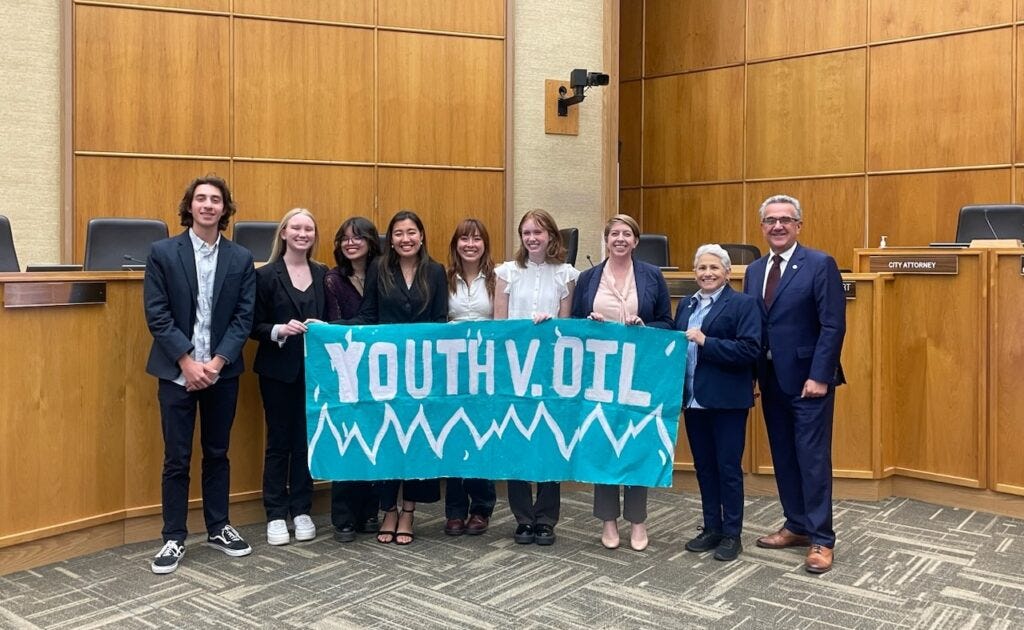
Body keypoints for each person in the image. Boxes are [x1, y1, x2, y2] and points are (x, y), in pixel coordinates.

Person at [143, 175, 256, 574]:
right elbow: (157, 313)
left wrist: (217, 363)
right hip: (177, 373)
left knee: (217, 453)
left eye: (216, 200)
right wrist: (188, 363)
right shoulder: (162, 252)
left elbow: (244, 318)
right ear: (189, 206)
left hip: (221, 374)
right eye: (201, 199)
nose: (208, 205)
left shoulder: (241, 258)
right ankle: (173, 537)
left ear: (225, 209)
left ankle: (219, 526)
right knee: (176, 458)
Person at [742, 194, 846, 574]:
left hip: (809, 382)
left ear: (799, 225)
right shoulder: (754, 270)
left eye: (786, 220)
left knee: (812, 460)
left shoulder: (819, 264)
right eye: (770, 220)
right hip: (771, 380)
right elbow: (755, 327)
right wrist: (750, 376)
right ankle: (797, 525)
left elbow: (833, 325)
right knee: (784, 456)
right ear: (763, 227)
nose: (778, 226)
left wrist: (820, 375)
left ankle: (821, 538)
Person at [344, 210, 448, 545]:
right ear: (392, 238)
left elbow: (440, 321)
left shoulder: (435, 271)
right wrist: (330, 329)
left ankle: (409, 511)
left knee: (416, 440)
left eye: (411, 232)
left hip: (423, 372)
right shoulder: (378, 268)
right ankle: (388, 508)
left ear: (421, 236)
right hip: (385, 372)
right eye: (398, 233)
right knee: (388, 438)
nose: (405, 239)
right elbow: (369, 315)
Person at [570, 214, 672, 551]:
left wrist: (646, 325)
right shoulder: (587, 278)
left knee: (636, 443)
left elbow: (667, 323)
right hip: (599, 374)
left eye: (627, 233)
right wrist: (590, 322)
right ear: (606, 240)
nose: (620, 239)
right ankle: (608, 520)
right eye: (614, 233)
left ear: (636, 241)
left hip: (639, 373)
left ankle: (638, 522)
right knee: (603, 444)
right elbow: (573, 325)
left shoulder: (652, 275)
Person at [495, 208, 579, 546]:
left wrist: (552, 326)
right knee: (517, 442)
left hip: (550, 372)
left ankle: (545, 518)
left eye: (538, 232)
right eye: (527, 232)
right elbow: (498, 325)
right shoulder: (506, 272)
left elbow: (568, 326)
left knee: (548, 442)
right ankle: (522, 518)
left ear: (552, 237)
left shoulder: (567, 274)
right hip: (513, 370)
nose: (532, 238)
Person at [676, 244, 761, 562]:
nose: (707, 273)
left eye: (714, 268)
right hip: (694, 400)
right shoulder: (685, 305)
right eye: (701, 268)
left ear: (727, 272)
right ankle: (711, 527)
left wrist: (705, 342)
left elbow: (750, 350)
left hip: (727, 401)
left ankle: (732, 534)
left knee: (728, 469)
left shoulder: (743, 304)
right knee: (704, 468)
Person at [250, 208, 326, 546]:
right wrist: (279, 329)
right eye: (295, 227)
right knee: (279, 443)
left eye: (308, 228)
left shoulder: (325, 274)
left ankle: (302, 508)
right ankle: (276, 513)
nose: (302, 233)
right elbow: (251, 326)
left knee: (305, 442)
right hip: (278, 372)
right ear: (283, 233)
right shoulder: (265, 276)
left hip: (316, 374)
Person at [324, 216, 383, 543]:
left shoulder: (382, 274)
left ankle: (370, 511)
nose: (351, 243)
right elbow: (335, 325)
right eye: (345, 238)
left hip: (377, 371)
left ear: (371, 242)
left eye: (358, 238)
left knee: (375, 439)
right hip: (344, 371)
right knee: (346, 439)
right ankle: (344, 516)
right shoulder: (333, 279)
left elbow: (379, 318)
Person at [443, 218, 499, 537]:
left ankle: (481, 508)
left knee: (480, 435)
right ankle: (454, 510)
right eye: (464, 239)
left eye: (476, 239)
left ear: (484, 244)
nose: (470, 244)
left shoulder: (498, 278)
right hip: (450, 369)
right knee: (453, 436)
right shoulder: (443, 277)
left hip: (486, 368)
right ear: (456, 245)